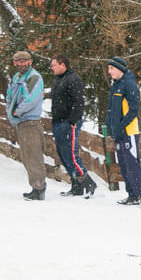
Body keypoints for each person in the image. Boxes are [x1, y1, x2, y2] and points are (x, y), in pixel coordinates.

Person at [49, 54, 97, 198]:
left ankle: (88, 182)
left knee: (71, 155)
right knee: (63, 155)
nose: (51, 68)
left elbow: (79, 102)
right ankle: (76, 185)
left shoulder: (73, 79)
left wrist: (72, 121)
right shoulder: (57, 80)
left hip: (69, 122)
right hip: (57, 121)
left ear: (63, 65)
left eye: (54, 65)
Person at [106, 56, 141, 206]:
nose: (109, 71)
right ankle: (131, 194)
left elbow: (133, 110)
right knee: (124, 165)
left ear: (119, 69)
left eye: (111, 68)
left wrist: (122, 125)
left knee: (132, 164)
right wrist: (111, 125)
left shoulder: (129, 84)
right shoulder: (115, 85)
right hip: (118, 132)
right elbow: (112, 109)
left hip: (129, 131)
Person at [6, 51, 47, 200]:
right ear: (14, 63)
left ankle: (39, 188)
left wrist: (17, 112)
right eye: (19, 61)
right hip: (21, 123)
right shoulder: (17, 77)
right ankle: (35, 186)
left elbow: (31, 100)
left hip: (30, 122)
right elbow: (9, 96)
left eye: (25, 61)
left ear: (30, 61)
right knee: (26, 156)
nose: (22, 64)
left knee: (34, 155)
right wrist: (10, 112)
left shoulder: (33, 77)